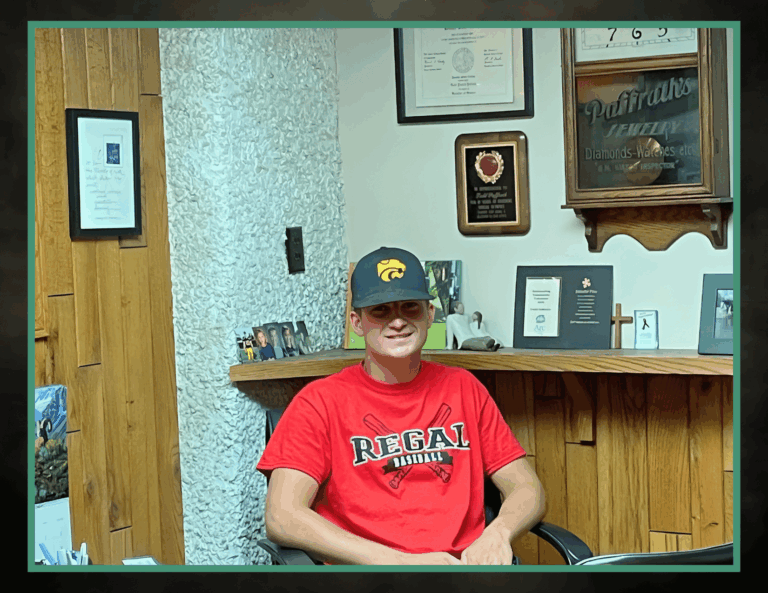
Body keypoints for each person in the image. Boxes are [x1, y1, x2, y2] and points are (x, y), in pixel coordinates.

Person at [257, 246, 545, 565]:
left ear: (430, 314)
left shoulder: (464, 388)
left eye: (410, 307)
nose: (397, 321)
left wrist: (498, 534)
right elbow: (282, 516)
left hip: (463, 571)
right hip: (369, 575)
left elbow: (526, 487)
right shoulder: (318, 402)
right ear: (357, 322)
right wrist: (399, 562)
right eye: (380, 310)